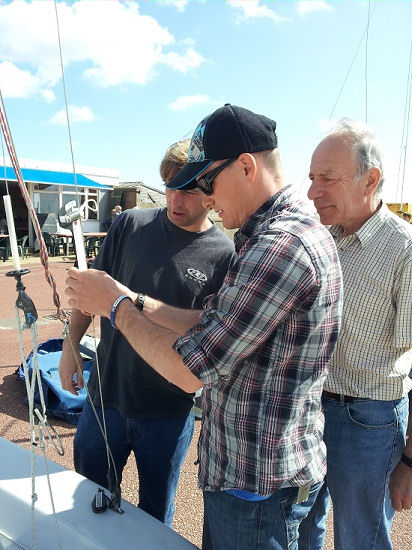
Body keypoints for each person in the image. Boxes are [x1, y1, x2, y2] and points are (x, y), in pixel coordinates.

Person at [65, 104, 343, 549]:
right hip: (252, 480)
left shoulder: (279, 248)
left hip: (257, 489)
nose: (206, 197)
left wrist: (116, 306)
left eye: (207, 183)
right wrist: (134, 299)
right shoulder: (272, 237)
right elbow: (217, 322)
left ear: (246, 167)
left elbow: (190, 368)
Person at [59, 138, 236, 526]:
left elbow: (210, 333)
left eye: (188, 189)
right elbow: (90, 293)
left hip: (168, 413)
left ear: (209, 191)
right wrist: (70, 349)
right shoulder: (128, 225)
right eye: (170, 187)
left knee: (155, 518)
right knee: (85, 502)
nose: (176, 200)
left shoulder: (224, 255)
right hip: (105, 399)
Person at [299, 118, 412, 550]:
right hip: (309, 415)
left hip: (369, 425)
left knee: (360, 541)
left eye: (328, 178)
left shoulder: (404, 250)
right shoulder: (321, 241)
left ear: (372, 180)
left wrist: (410, 461)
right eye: (311, 178)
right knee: (304, 528)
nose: (313, 192)